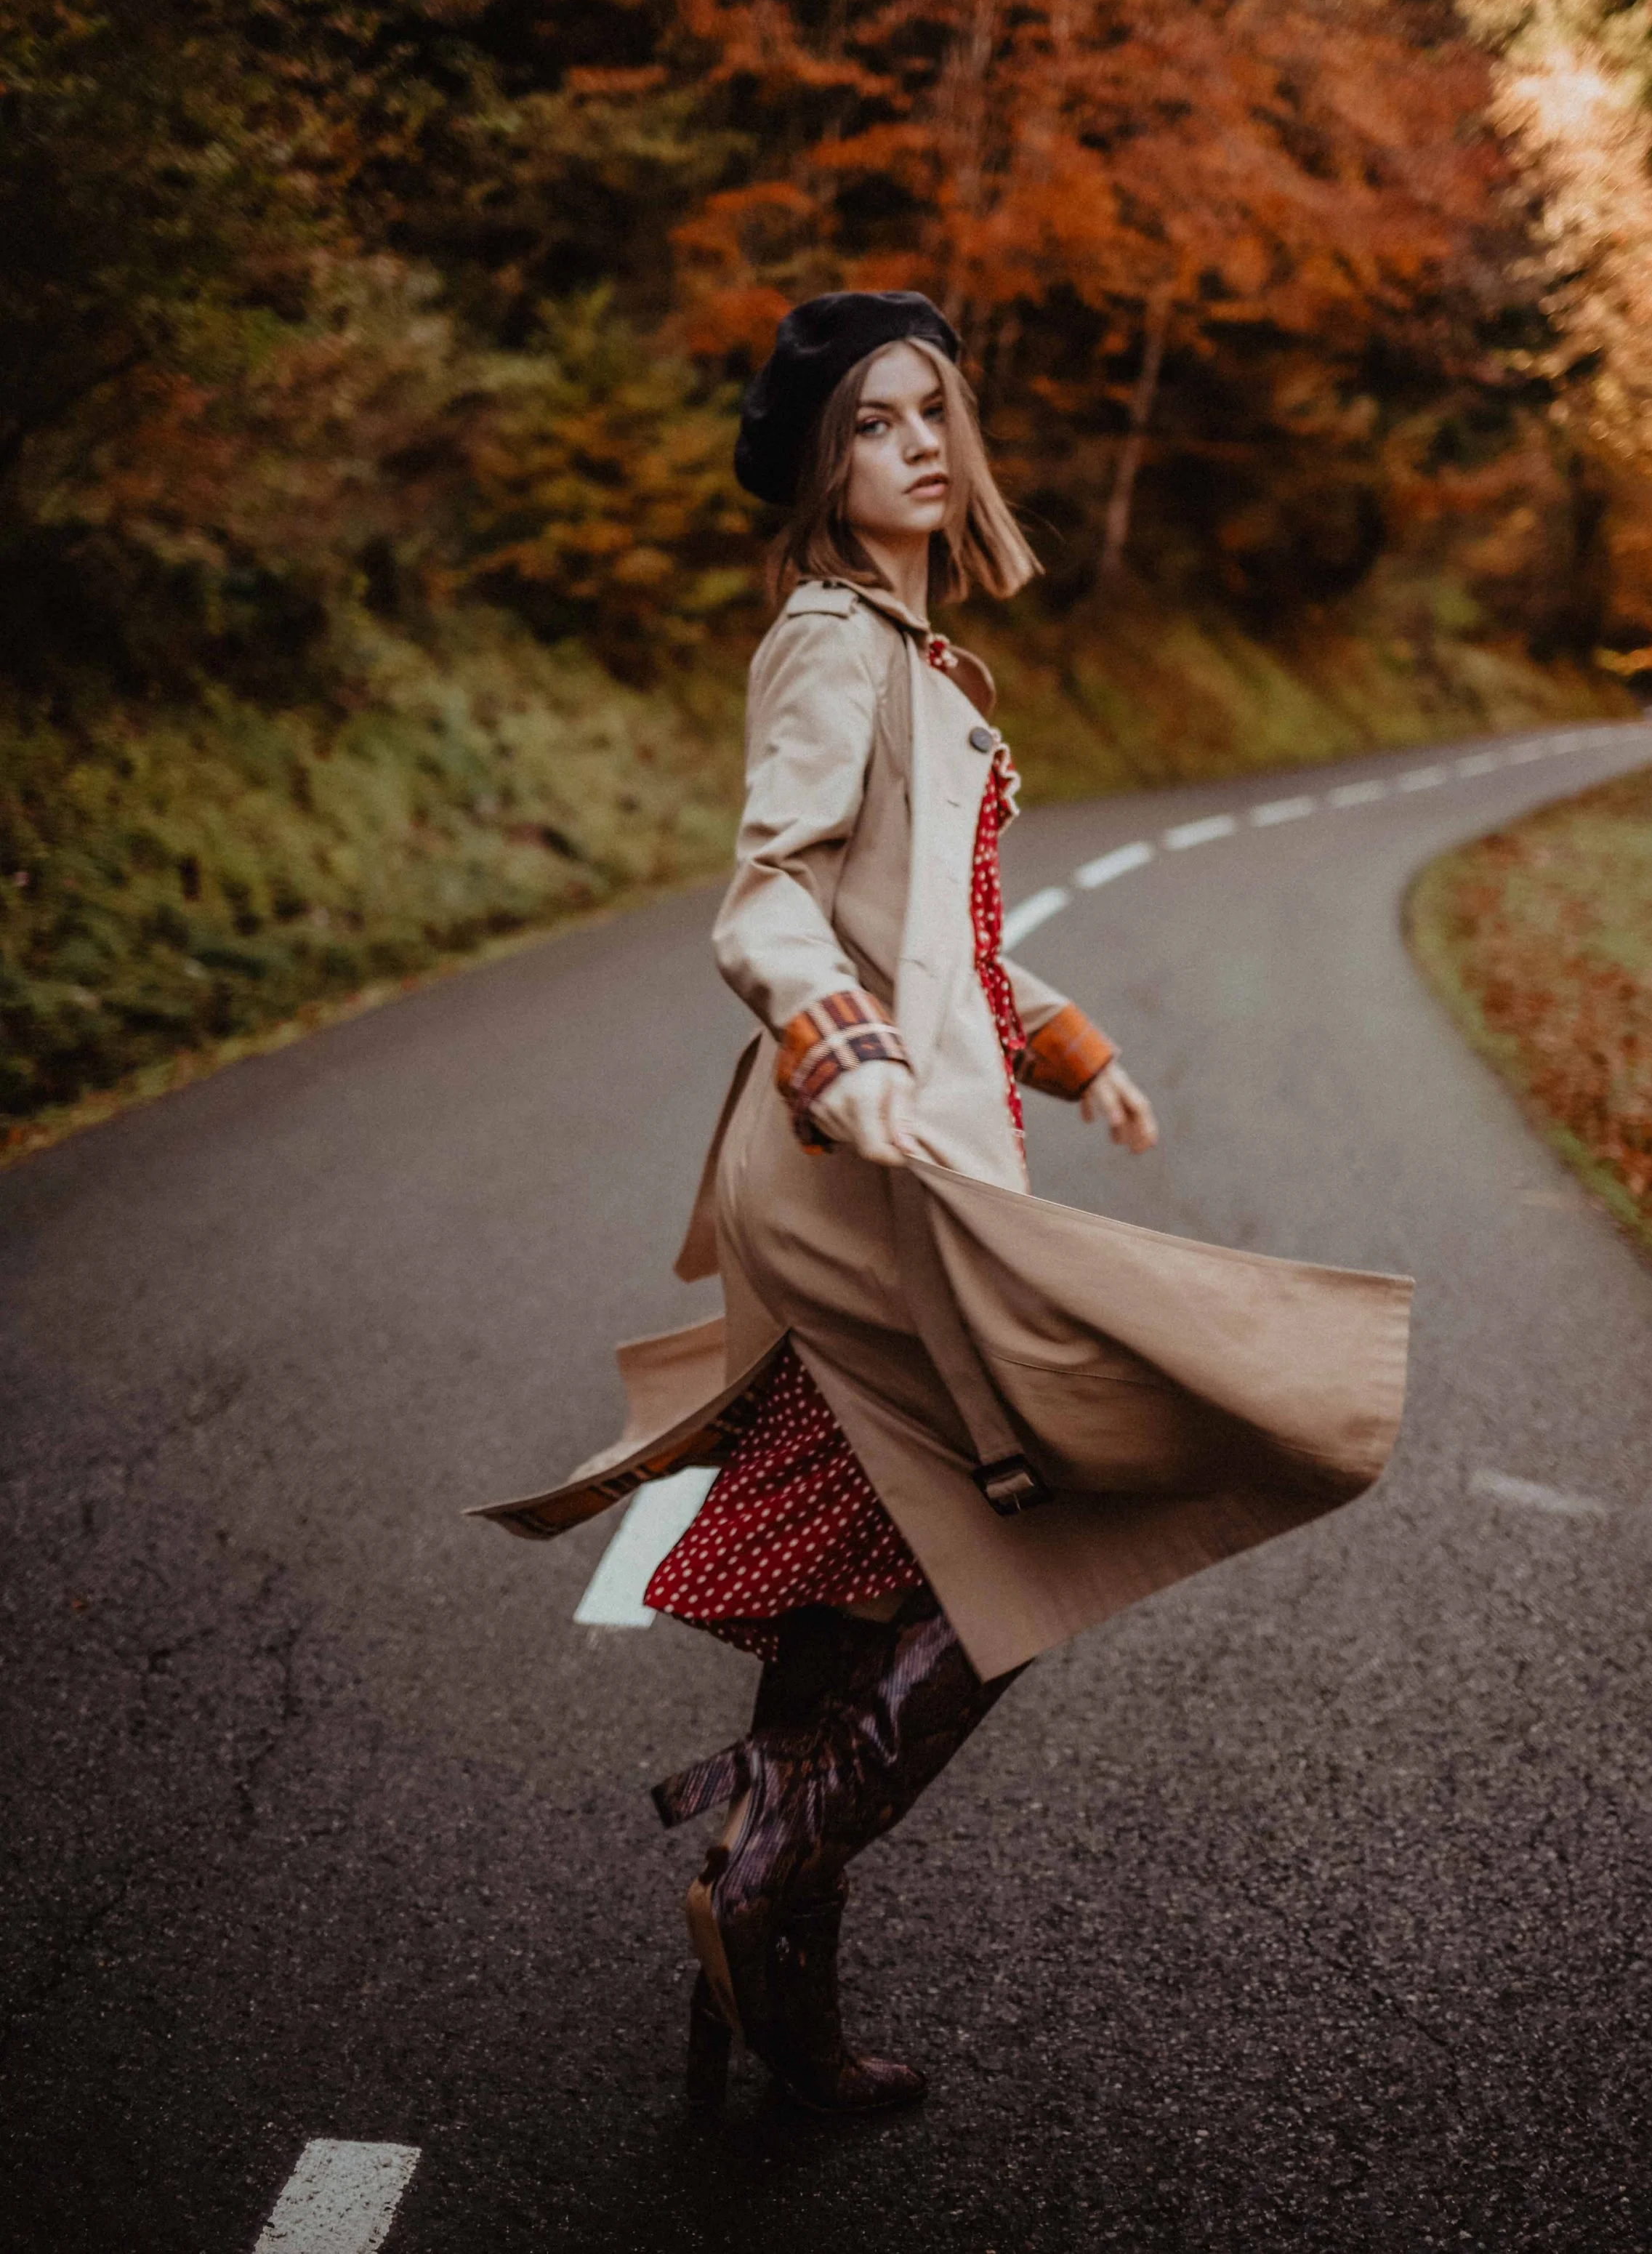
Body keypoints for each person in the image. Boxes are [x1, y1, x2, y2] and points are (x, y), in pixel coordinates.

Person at [471, 290, 1411, 2120]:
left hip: (903, 1151)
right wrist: (854, 1063)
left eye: (931, 413)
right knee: (1030, 1537)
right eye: (874, 421)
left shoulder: (918, 650)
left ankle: (767, 2011)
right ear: (825, 466)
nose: (915, 440)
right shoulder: (828, 642)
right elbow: (766, 905)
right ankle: (764, 1858)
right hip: (863, 1170)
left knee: (850, 1577)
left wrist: (1071, 1051)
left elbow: (941, 933)